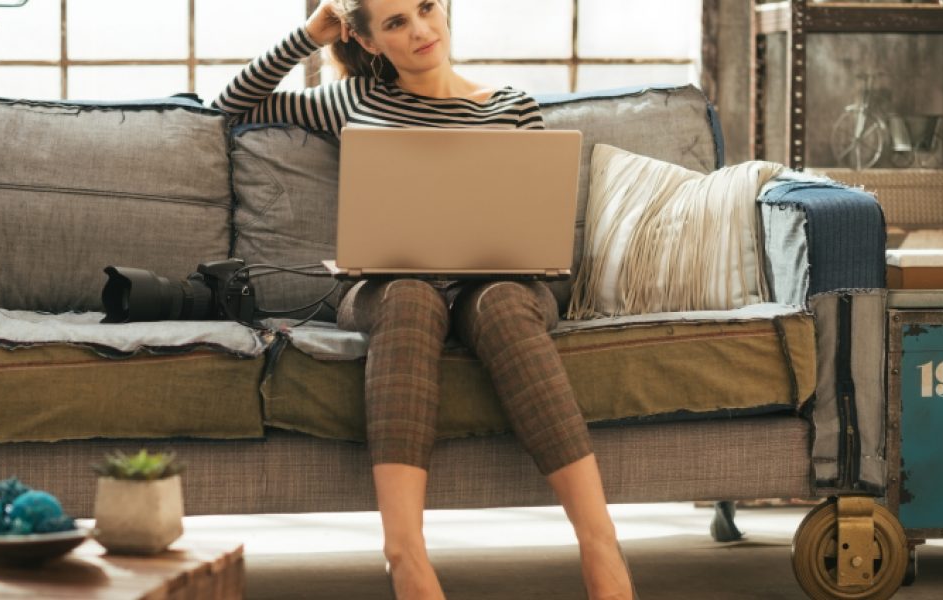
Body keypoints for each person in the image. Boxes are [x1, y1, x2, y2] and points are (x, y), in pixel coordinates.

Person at [212, 1, 634, 598]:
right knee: (411, 298)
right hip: (390, 286)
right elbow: (226, 107)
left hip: (499, 286)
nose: (421, 30)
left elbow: (537, 225)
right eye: (395, 23)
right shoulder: (353, 100)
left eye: (425, 8)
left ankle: (600, 543)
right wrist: (308, 35)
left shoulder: (512, 105)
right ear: (370, 41)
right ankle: (405, 554)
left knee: (504, 308)